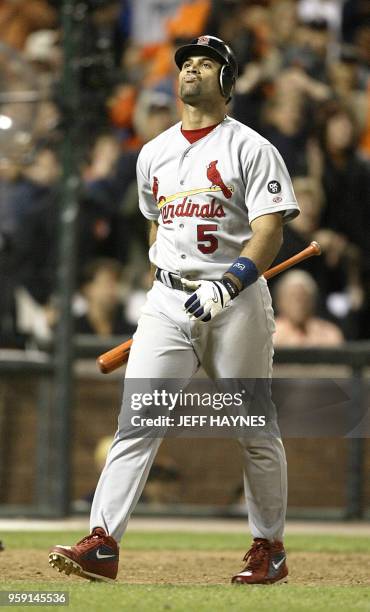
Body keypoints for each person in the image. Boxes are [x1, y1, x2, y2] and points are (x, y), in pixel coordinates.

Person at [49, 35, 299, 586]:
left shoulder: (251, 148)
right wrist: (164, 285)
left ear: (227, 83)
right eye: (186, 63)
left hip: (235, 301)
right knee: (137, 421)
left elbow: (270, 231)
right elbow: (155, 220)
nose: (192, 71)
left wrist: (228, 283)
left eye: (207, 64)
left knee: (252, 425)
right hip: (170, 298)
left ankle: (269, 546)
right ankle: (102, 542)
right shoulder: (154, 151)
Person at [273, 270, 344, 347]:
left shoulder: (329, 333)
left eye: (303, 296)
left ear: (313, 300)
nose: (298, 302)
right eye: (292, 296)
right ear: (280, 301)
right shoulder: (269, 334)